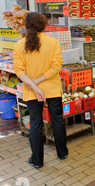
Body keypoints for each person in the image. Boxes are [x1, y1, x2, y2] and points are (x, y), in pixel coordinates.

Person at [13, 12, 68, 168]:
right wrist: (39, 81)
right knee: (57, 119)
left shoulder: (19, 45)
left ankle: (37, 160)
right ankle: (62, 152)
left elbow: (19, 71)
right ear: (44, 26)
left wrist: (34, 84)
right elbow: (56, 67)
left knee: (35, 123)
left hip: (31, 91)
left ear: (27, 26)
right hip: (52, 88)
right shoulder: (53, 42)